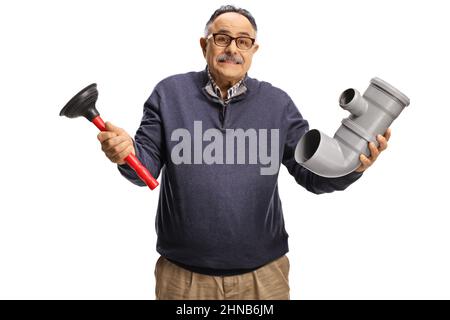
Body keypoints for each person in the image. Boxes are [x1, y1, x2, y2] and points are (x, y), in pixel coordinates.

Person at [97, 5, 390, 300]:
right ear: (204, 45)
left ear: (253, 49)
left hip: (264, 276)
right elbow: (143, 168)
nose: (232, 49)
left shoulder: (277, 104)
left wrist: (355, 167)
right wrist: (125, 152)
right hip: (183, 278)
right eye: (222, 38)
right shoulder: (169, 94)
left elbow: (312, 177)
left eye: (243, 41)